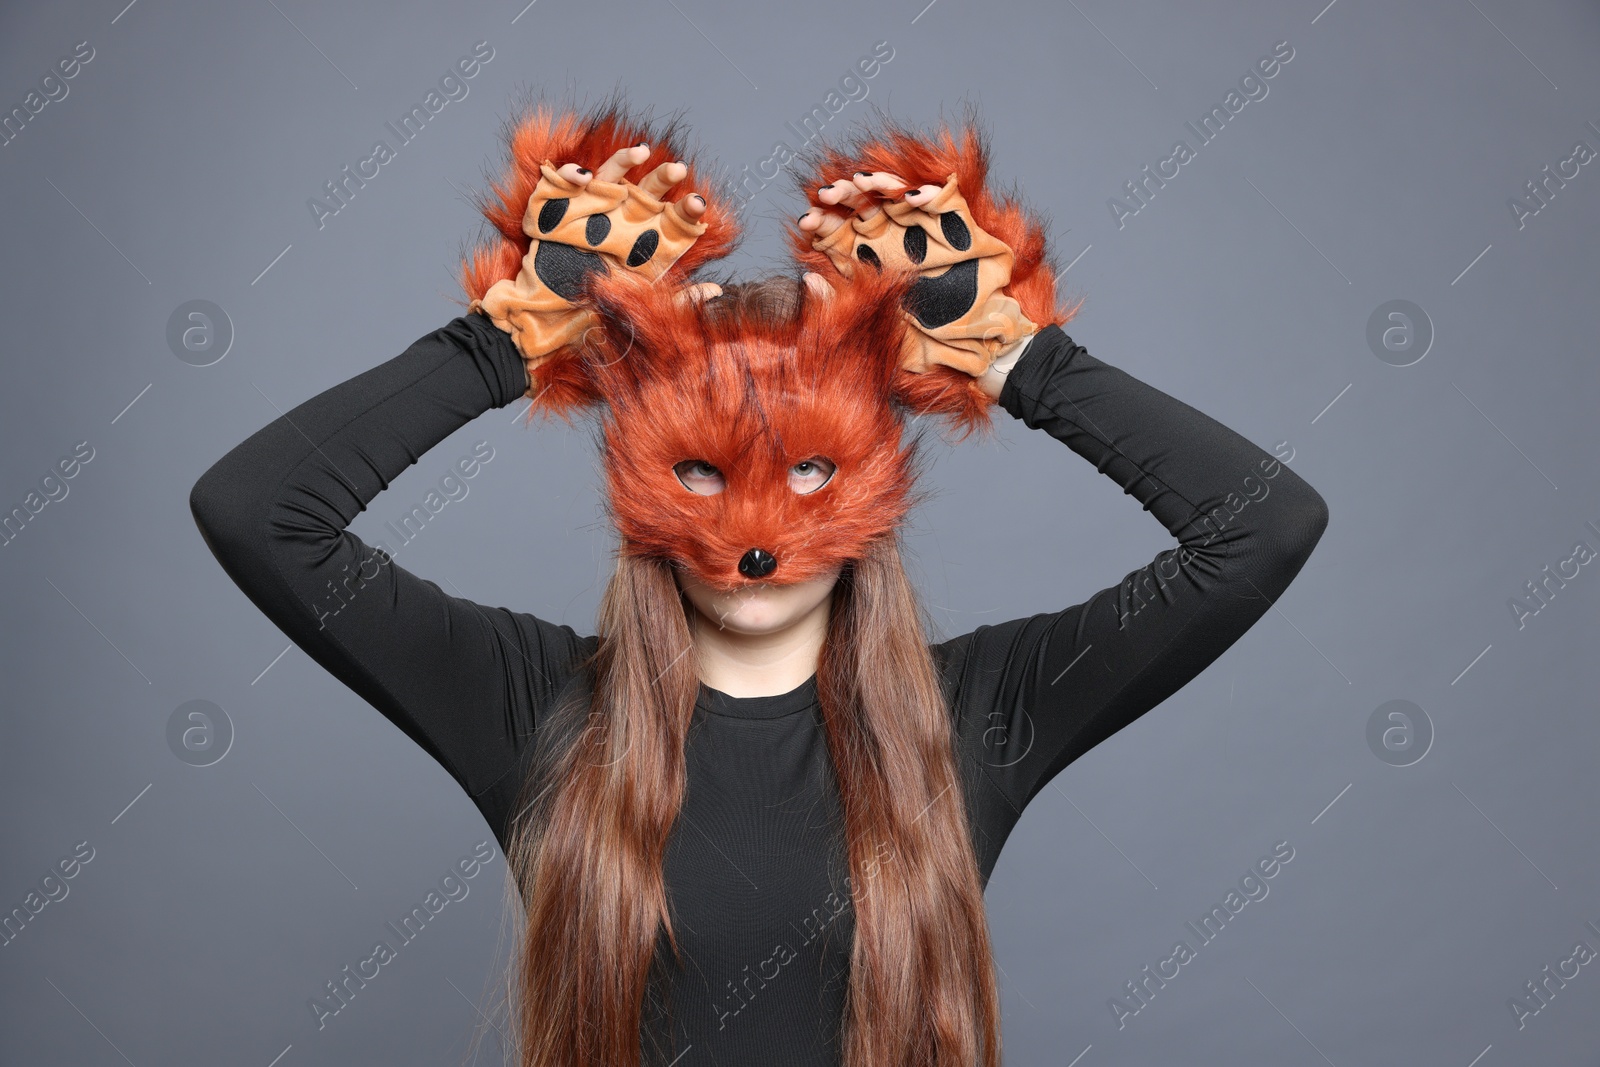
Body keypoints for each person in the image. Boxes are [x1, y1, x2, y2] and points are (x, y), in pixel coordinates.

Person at [188, 99, 1329, 1067]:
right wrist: (508, 337)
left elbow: (1262, 527)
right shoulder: (536, 709)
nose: (754, 533)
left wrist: (1019, 358)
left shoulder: (973, 717)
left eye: (809, 468)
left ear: (870, 479)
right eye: (701, 470)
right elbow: (261, 512)